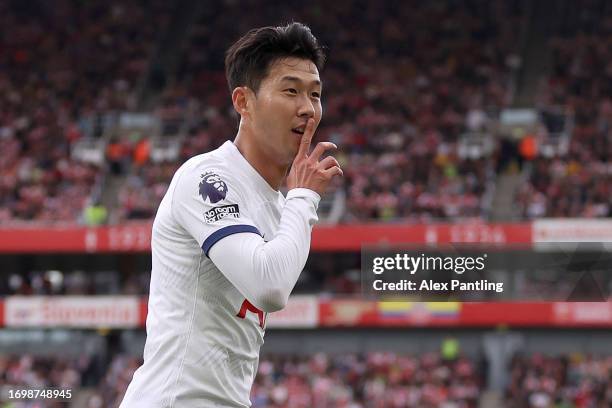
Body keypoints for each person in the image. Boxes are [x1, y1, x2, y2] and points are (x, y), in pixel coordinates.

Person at [120, 22, 342, 407]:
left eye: (315, 94)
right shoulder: (208, 179)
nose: (307, 108)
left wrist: (296, 199)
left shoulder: (277, 203)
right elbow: (268, 286)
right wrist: (304, 196)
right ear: (243, 101)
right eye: (291, 90)